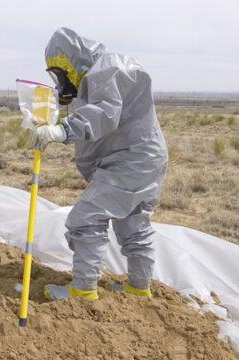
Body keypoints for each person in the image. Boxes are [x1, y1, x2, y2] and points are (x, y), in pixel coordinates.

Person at [33, 28, 168, 300]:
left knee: (85, 219)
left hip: (128, 162)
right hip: (144, 158)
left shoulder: (106, 70)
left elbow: (104, 112)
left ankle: (82, 291)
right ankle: (138, 288)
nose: (60, 82)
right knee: (134, 223)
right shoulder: (105, 70)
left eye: (59, 74)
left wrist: (62, 131)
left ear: (70, 62)